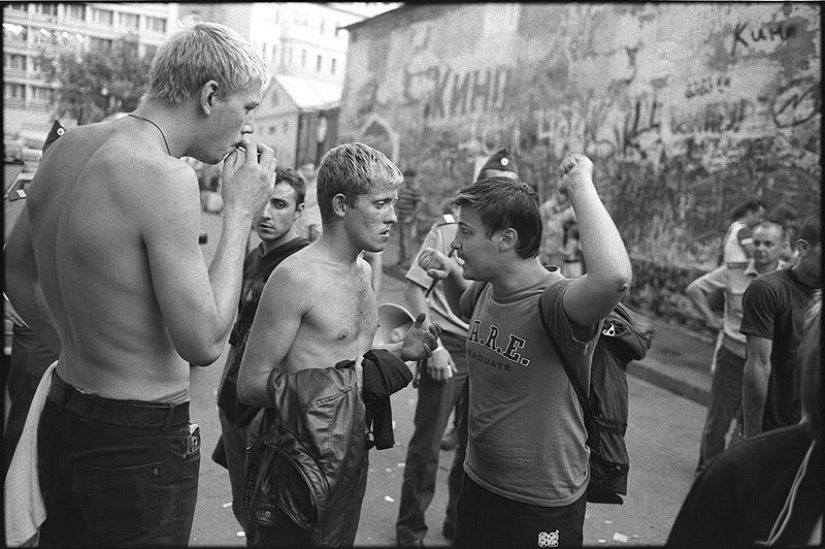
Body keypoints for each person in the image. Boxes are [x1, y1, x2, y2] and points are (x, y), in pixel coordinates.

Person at [4, 22, 274, 547]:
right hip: (135, 443)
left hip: (65, 411)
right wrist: (240, 212)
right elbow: (204, 343)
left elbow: (15, 270)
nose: (248, 129)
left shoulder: (66, 149)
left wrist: (72, 349)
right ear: (210, 95)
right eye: (248, 108)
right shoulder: (163, 174)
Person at [418, 153, 632, 548]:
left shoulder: (558, 303)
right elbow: (465, 305)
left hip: (540, 504)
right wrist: (450, 273)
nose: (457, 243)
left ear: (506, 239)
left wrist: (579, 185)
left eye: (465, 232)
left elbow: (613, 278)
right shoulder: (488, 288)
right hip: (478, 483)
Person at [236, 142, 439, 547]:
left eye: (393, 203)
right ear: (342, 205)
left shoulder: (362, 271)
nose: (393, 216)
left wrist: (401, 352)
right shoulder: (296, 277)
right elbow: (251, 384)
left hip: (350, 454)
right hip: (298, 464)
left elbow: (351, 365)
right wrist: (349, 385)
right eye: (380, 204)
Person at [395, 149, 522, 547]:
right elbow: (414, 290)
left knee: (475, 448)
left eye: (509, 189)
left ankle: (458, 523)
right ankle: (410, 529)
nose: (500, 196)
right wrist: (432, 346)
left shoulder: (516, 240)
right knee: (428, 445)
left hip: (489, 350)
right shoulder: (450, 233)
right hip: (448, 345)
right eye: (493, 187)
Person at [667, 294, 822, 548]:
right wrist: (753, 435)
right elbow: (758, 365)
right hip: (735, 362)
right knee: (719, 421)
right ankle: (703, 465)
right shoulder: (740, 474)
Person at [212, 167, 310, 531]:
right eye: (261, 203)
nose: (266, 214)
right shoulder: (255, 256)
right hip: (235, 403)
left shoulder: (301, 264)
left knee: (267, 517)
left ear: (299, 211)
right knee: (245, 507)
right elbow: (238, 331)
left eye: (280, 204)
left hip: (268, 412)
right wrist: (224, 393)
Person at [685, 222, 787, 474]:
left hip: (769, 361)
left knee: (755, 419)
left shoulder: (789, 277)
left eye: (768, 244)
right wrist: (712, 320)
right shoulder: (734, 271)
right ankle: (707, 471)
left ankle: (738, 473)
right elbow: (695, 289)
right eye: (757, 243)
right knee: (719, 418)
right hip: (733, 356)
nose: (761, 248)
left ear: (782, 246)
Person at [740, 214, 821, 438]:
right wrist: (752, 436)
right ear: (803, 248)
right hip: (771, 425)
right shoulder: (768, 289)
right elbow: (758, 365)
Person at [720, 199, 766, 266]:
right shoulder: (744, 231)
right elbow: (753, 254)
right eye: (759, 216)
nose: (760, 220)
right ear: (750, 213)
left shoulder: (733, 227)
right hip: (740, 269)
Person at [395, 168, 422, 267]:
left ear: (413, 178)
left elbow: (418, 206)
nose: (408, 180)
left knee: (406, 241)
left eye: (410, 178)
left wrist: (411, 217)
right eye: (406, 177)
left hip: (409, 220)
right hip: (401, 218)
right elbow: (398, 202)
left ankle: (407, 262)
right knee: (402, 240)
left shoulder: (415, 190)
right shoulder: (403, 189)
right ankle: (401, 260)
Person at [297, 160, 323, 243]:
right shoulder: (299, 182)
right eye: (305, 170)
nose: (307, 172)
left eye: (309, 170)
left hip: (314, 220)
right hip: (302, 221)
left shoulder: (317, 185)